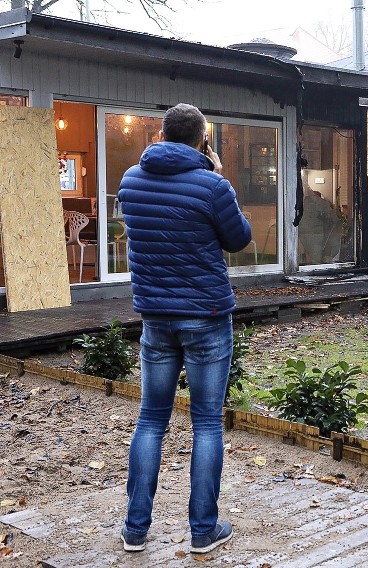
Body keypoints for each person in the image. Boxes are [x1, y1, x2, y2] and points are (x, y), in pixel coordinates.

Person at [117, 103, 252, 554]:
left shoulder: (131, 180)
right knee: (207, 424)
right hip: (207, 317)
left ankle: (135, 530)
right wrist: (217, 173)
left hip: (155, 317)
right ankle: (203, 532)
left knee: (151, 420)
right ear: (202, 138)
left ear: (162, 133)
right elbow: (238, 239)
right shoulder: (213, 185)